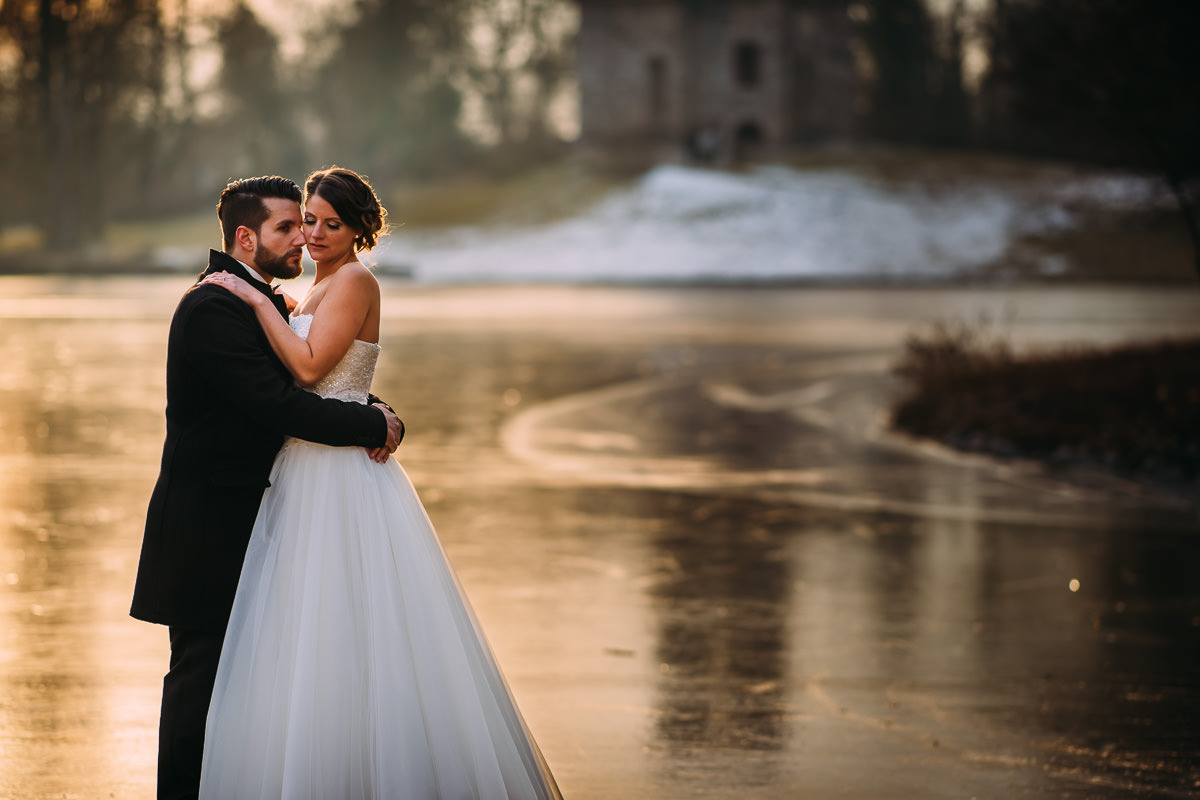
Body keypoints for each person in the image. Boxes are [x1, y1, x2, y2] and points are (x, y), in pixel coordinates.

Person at [196, 167, 562, 799]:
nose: (314, 234)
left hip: (341, 478)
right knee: (304, 631)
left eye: (331, 224)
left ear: (359, 230)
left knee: (353, 621)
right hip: (301, 471)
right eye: (308, 220)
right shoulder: (316, 286)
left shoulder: (355, 281)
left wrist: (256, 301)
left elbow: (310, 370)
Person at [130, 174, 404, 800]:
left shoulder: (267, 299)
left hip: (262, 519)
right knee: (199, 686)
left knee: (249, 686)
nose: (304, 238)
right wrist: (370, 423)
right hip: (206, 529)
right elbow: (277, 403)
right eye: (290, 226)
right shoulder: (213, 306)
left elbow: (317, 378)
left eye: (311, 223)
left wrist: (376, 408)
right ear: (246, 238)